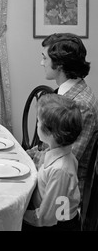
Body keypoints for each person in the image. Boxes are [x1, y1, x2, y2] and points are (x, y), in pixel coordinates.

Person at [27, 33, 98, 196]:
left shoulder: (80, 105)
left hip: (62, 194)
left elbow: (63, 159)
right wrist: (23, 155)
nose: (41, 63)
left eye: (44, 58)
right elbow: (46, 148)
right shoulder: (66, 92)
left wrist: (23, 161)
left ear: (59, 65)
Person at [23, 93, 82, 231]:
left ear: (51, 133)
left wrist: (19, 214)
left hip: (57, 225)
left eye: (38, 121)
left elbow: (47, 217)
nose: (36, 124)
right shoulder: (55, 151)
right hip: (48, 216)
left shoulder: (60, 170)